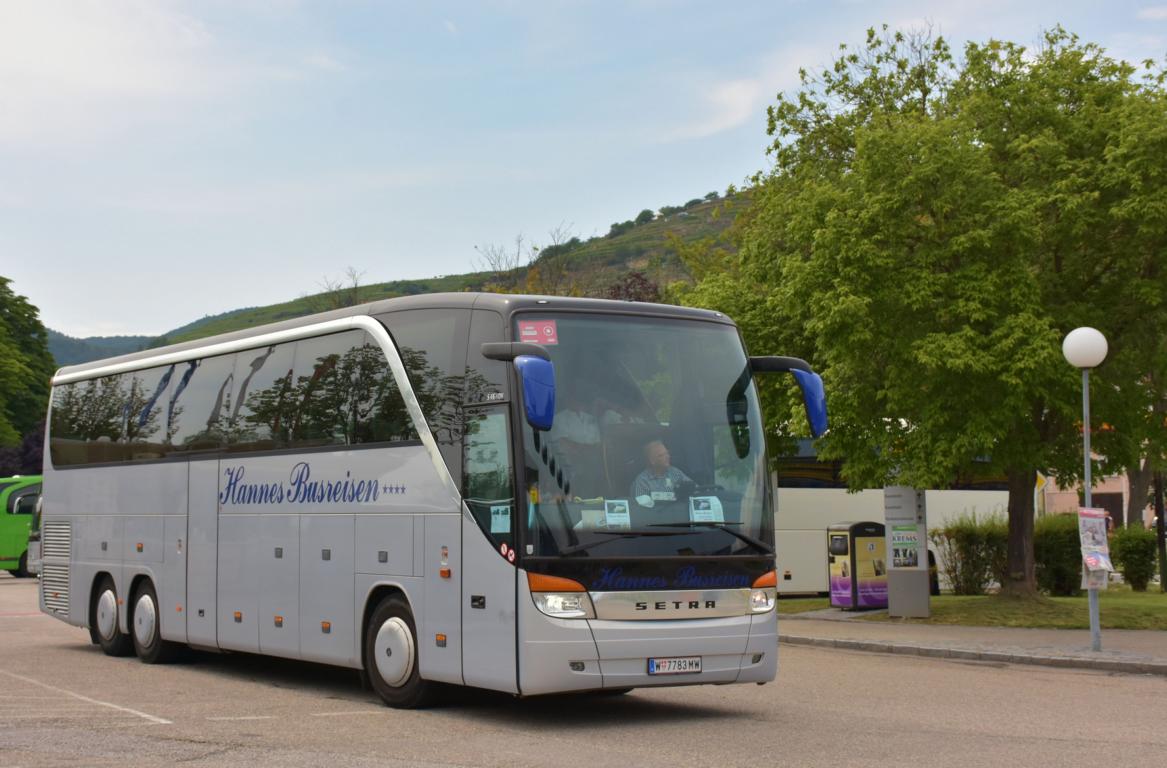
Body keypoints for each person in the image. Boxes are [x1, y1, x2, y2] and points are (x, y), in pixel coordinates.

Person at [632, 439, 692, 506]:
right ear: (652, 460)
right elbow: (641, 508)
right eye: (661, 455)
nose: (667, 457)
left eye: (667, 453)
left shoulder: (675, 472)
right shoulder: (642, 481)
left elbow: (694, 490)